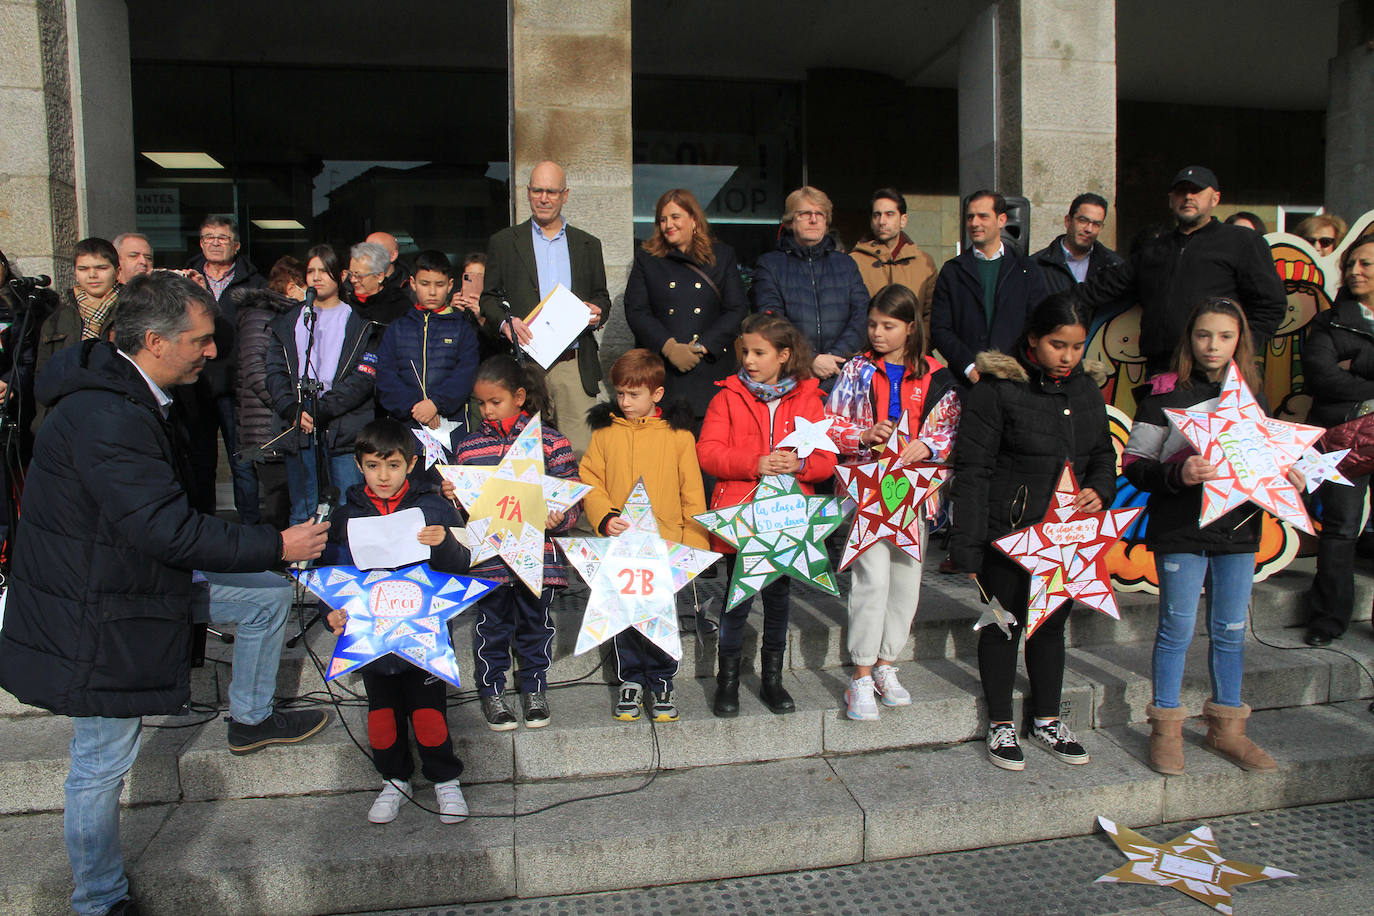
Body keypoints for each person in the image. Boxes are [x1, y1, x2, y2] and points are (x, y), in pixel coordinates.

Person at [0, 272, 331, 916]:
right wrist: (277, 546)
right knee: (100, 760)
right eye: (202, 342)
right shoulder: (107, 415)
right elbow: (166, 527)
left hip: (136, 582)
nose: (213, 353)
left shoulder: (130, 391)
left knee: (263, 600)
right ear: (154, 341)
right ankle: (97, 900)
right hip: (95, 613)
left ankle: (251, 718)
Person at [948, 292, 1116, 771]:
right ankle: (1000, 723)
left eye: (1078, 346)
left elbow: (1103, 454)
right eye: (1057, 345)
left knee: (1050, 627)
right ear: (1032, 340)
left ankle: (1046, 718)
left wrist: (1100, 489)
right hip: (1007, 533)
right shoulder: (996, 388)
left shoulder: (1084, 390)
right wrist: (969, 547)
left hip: (1065, 536)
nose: (1068, 356)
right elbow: (974, 469)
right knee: (1003, 625)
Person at [1123, 298, 1287, 775]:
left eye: (1225, 336)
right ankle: (1166, 728)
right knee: (1175, 629)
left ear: (1240, 342)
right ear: (1189, 339)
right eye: (1203, 335)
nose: (1213, 346)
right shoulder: (1161, 398)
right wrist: (1179, 473)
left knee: (1231, 631)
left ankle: (1227, 729)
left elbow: (1266, 461)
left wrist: (1288, 473)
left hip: (1237, 531)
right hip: (1180, 530)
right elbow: (1135, 464)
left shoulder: (1253, 399)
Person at [320, 418, 471, 824]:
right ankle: (394, 780)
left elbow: (463, 565)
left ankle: (444, 780)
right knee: (382, 717)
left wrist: (444, 545)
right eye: (372, 465)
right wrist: (330, 615)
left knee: (428, 714)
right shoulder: (346, 515)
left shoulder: (433, 507)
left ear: (412, 463)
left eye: (392, 466)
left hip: (423, 636)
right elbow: (331, 574)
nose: (382, 475)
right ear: (358, 465)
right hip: (372, 637)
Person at [824, 284, 961, 720]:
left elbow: (950, 427)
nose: (878, 333)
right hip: (868, 492)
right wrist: (862, 435)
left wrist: (928, 445)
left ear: (909, 327)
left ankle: (887, 664)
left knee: (906, 584)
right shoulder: (857, 370)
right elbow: (830, 423)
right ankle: (860, 675)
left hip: (914, 494)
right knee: (872, 582)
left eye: (888, 325)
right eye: (872, 324)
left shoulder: (937, 373)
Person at [697, 313, 838, 717]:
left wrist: (801, 467)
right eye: (745, 351)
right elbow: (708, 452)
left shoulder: (809, 398)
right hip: (741, 517)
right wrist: (754, 463)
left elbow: (826, 460)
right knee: (735, 601)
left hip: (788, 519)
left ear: (785, 355)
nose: (750, 360)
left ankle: (772, 680)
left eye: (760, 352)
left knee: (778, 600)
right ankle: (727, 682)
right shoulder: (727, 395)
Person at [444, 355, 579, 729]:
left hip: (540, 558)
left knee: (537, 626)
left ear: (519, 396)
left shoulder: (552, 442)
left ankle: (535, 688)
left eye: (495, 402)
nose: (487, 410)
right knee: (491, 627)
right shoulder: (469, 447)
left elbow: (571, 502)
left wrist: (559, 517)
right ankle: (493, 693)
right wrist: (452, 496)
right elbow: (465, 511)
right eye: (481, 404)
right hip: (489, 561)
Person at [580, 348, 709, 723]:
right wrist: (604, 517)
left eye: (633, 394)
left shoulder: (678, 435)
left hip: (667, 541)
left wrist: (695, 544)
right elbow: (590, 479)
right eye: (619, 393)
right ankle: (631, 679)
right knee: (625, 613)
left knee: (660, 613)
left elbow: (691, 491)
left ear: (656, 394)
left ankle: (662, 678)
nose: (624, 401)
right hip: (622, 541)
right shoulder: (606, 432)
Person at [1076, 166, 1286, 374]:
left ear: (1215, 198)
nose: (1188, 197)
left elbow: (1270, 305)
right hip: (1161, 373)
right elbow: (1100, 288)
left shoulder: (1242, 242)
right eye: (1181, 191)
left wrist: (1239, 350)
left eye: (1196, 191)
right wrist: (1051, 310)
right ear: (1170, 200)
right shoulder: (1153, 249)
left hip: (1215, 374)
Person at [479, 160, 611, 459]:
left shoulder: (588, 244)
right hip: (526, 364)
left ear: (565, 195)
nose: (544, 198)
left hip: (573, 364)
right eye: (538, 190)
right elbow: (488, 298)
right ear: (527, 193)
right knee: (525, 457)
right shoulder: (503, 242)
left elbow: (602, 296)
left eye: (551, 191)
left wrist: (598, 310)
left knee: (582, 456)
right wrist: (505, 323)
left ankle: (581, 509)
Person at [264, 244, 380, 524]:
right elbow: (275, 371)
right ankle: (302, 567)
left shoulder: (360, 324)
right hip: (299, 426)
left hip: (342, 428)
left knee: (346, 508)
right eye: (311, 271)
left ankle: (342, 567)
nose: (316, 277)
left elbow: (363, 378)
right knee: (304, 509)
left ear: (340, 276)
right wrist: (292, 409)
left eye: (324, 271)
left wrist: (323, 409)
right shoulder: (287, 323)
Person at [1301, 233, 1374, 646]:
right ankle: (1328, 619)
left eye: (1365, 264)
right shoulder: (1329, 321)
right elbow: (1322, 377)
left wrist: (1358, 362)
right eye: (1350, 264)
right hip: (1343, 437)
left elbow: (1342, 374)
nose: (1354, 271)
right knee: (1341, 528)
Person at [624, 188, 749, 420]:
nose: (667, 225)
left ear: (693, 220)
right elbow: (637, 310)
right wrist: (670, 347)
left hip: (709, 369)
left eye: (675, 217)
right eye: (662, 219)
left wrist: (702, 346)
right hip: (663, 371)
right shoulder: (648, 259)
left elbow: (737, 309)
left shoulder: (721, 256)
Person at [185, 215, 265, 525]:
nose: (215, 243)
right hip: (194, 383)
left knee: (244, 462)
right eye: (208, 237)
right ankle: (202, 527)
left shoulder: (254, 282)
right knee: (199, 461)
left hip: (238, 387)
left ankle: (250, 530)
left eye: (222, 238)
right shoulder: (185, 280)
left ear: (236, 245)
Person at [751, 186, 869, 391]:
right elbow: (771, 319)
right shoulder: (770, 265)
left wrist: (834, 358)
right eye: (805, 213)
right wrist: (810, 359)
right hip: (791, 377)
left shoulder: (846, 264)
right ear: (789, 221)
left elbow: (862, 314)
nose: (813, 220)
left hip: (842, 375)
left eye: (820, 214)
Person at [929, 190, 1048, 387]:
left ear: (1001, 220)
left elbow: (1039, 324)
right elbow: (940, 328)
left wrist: (1016, 366)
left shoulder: (1026, 270)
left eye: (983, 216)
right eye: (970, 217)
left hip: (1016, 382)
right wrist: (968, 366)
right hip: (966, 384)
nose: (975, 223)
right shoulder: (953, 271)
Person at [374, 249, 480, 449]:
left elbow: (466, 374)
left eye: (439, 285)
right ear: (413, 283)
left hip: (450, 427)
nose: (432, 292)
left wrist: (435, 404)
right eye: (424, 284)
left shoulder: (462, 327)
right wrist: (415, 407)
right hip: (406, 429)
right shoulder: (397, 327)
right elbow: (385, 376)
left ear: (450, 285)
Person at [236, 256, 307, 528]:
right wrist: (288, 406)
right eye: (305, 284)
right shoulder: (261, 316)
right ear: (291, 287)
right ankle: (276, 560)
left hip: (283, 424)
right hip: (267, 428)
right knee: (277, 500)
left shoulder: (292, 317)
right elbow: (257, 372)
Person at [36, 237, 121, 382]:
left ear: (117, 271)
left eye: (101, 268)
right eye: (83, 269)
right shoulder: (58, 317)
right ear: (75, 272)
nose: (92, 275)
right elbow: (43, 374)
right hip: (69, 400)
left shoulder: (134, 310)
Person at [848, 188, 937, 309]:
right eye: (877, 215)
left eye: (889, 214)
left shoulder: (924, 263)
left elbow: (931, 312)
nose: (882, 221)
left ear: (903, 220)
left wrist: (920, 329)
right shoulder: (853, 262)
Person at [1032, 193, 1123, 294]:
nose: (1089, 229)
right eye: (1083, 221)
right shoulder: (1037, 265)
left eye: (1096, 224)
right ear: (1068, 221)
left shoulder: (1114, 265)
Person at [347, 240, 414, 327]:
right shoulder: (345, 303)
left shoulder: (400, 306)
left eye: (359, 276)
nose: (353, 280)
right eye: (350, 274)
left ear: (379, 276)